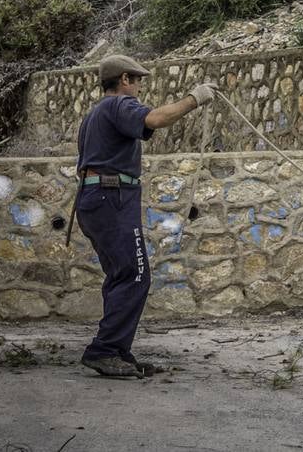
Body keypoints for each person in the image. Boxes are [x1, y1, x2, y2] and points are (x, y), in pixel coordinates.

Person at [73, 54, 216, 378]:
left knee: (121, 276)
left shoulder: (94, 115)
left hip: (94, 199)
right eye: (137, 80)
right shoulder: (119, 106)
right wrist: (196, 98)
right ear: (125, 79)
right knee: (136, 275)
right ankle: (105, 350)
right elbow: (155, 119)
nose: (139, 87)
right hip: (113, 198)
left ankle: (117, 351)